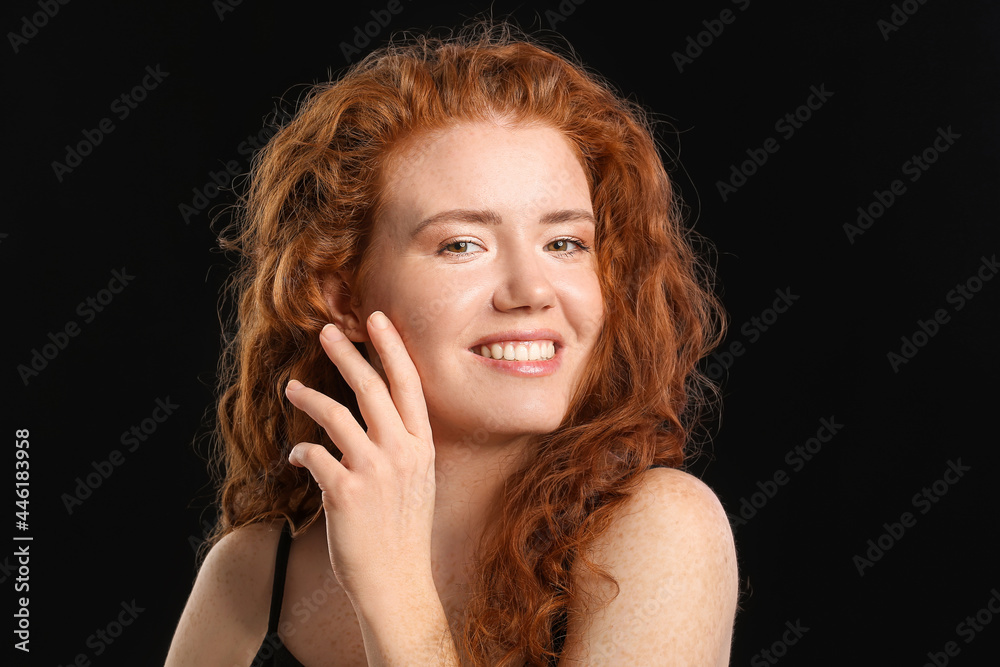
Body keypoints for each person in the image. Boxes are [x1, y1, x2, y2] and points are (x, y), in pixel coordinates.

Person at [165, 21, 738, 667]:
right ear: (344, 297)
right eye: (462, 244)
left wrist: (394, 589)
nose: (531, 290)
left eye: (565, 243)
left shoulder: (659, 529)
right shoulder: (250, 576)